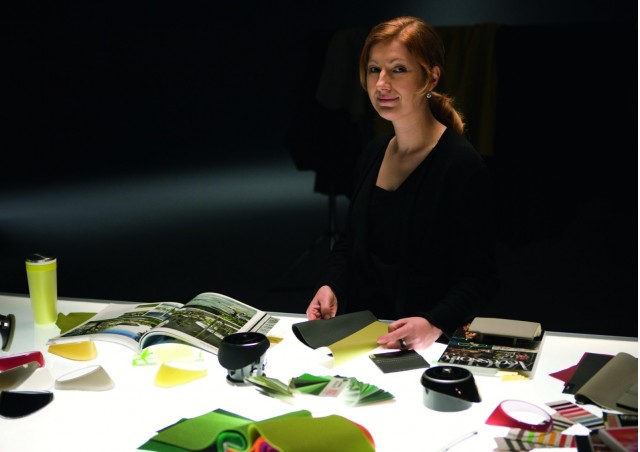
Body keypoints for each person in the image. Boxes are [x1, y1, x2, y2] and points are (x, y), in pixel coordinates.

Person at [305, 16, 499, 351]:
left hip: (426, 348)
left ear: (431, 77)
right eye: (374, 69)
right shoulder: (373, 153)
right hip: (363, 340)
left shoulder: (460, 165)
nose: (381, 83)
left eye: (398, 69)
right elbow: (350, 243)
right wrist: (330, 284)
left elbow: (480, 277)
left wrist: (434, 323)